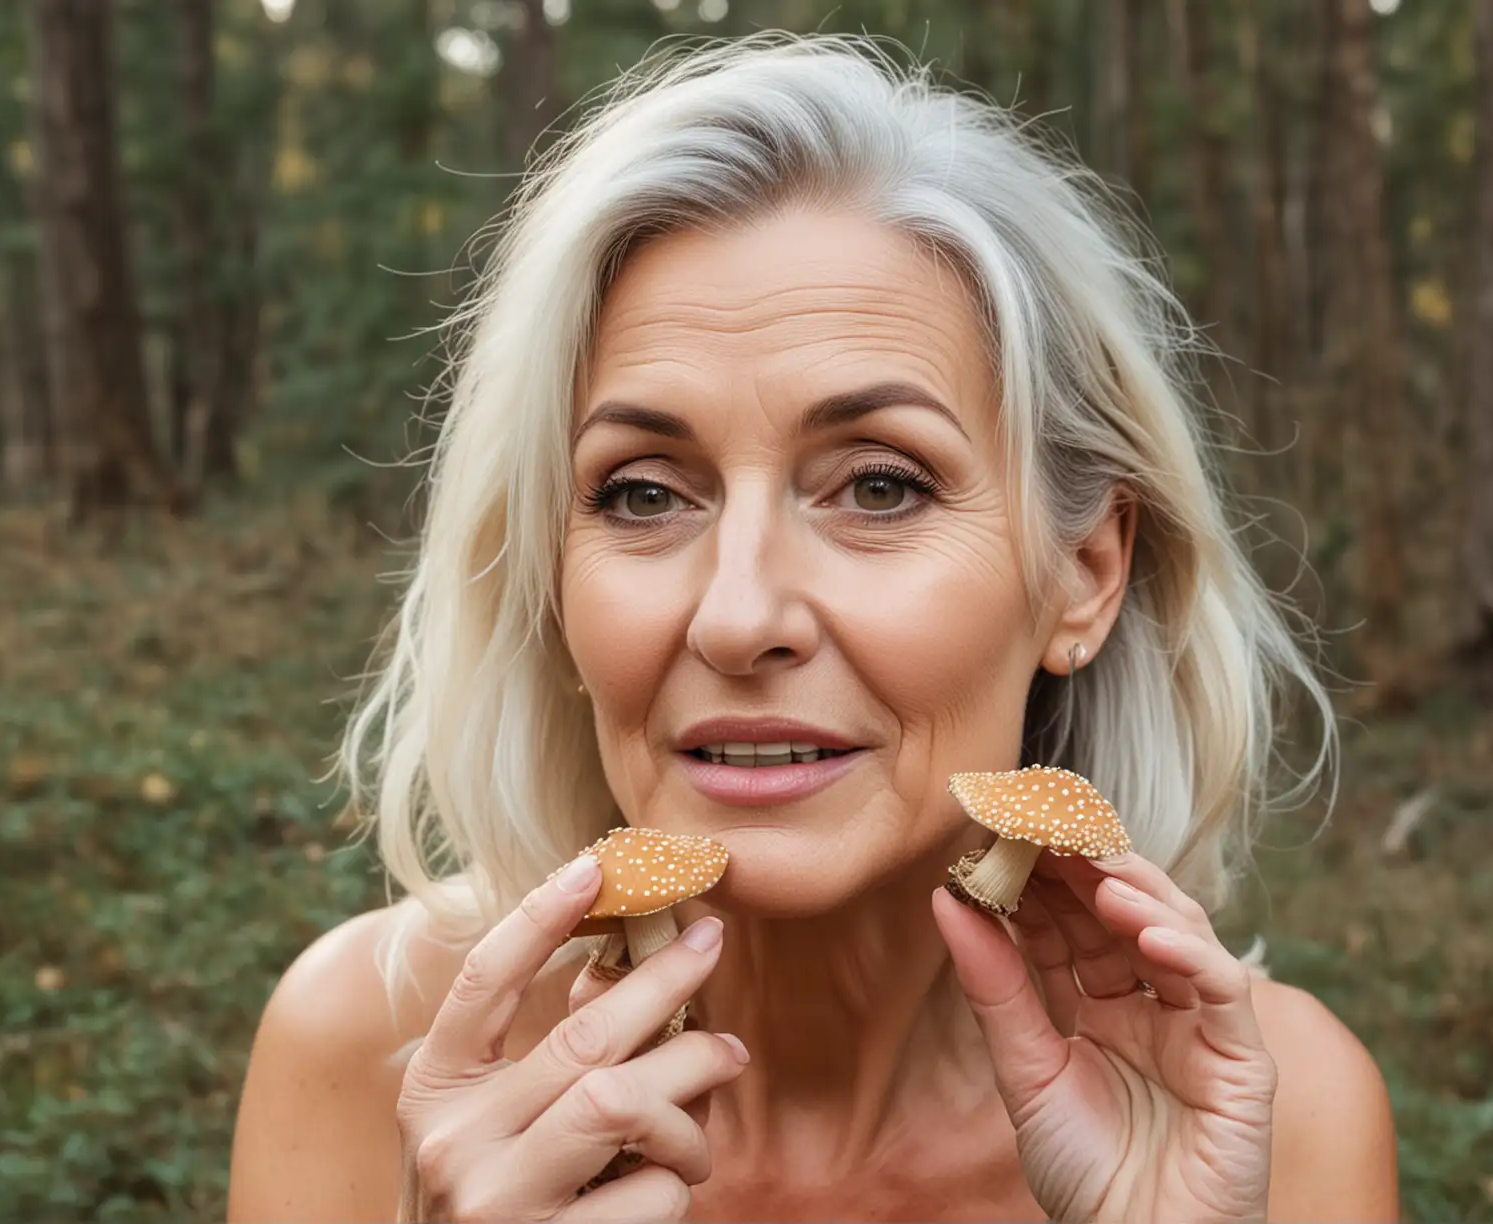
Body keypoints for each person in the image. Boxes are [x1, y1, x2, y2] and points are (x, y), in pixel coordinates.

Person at [229, 32, 1397, 1223]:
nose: (739, 616)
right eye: (642, 492)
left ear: (1084, 575)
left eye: (880, 486)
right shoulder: (368, 1056)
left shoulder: (1278, 1121)